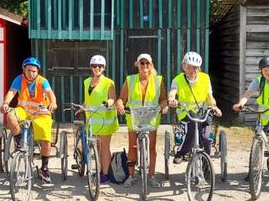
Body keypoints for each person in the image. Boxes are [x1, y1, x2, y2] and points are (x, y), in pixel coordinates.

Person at [1, 57, 58, 183]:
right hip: (24, 111)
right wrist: (6, 103)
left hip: (41, 113)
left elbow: (50, 93)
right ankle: (19, 141)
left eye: (34, 71)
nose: (31, 73)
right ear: (24, 70)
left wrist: (53, 103)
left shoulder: (43, 81)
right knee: (10, 115)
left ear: (38, 71)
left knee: (45, 137)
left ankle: (44, 168)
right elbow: (12, 92)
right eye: (28, 70)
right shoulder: (19, 79)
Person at [233, 57, 269, 177]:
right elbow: (248, 93)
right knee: (258, 139)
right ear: (261, 71)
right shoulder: (259, 80)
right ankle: (254, 169)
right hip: (264, 115)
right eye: (266, 70)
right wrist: (241, 103)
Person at [116, 53, 168, 189]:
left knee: (152, 148)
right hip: (134, 117)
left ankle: (151, 176)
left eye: (147, 63)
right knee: (132, 147)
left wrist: (164, 105)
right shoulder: (130, 80)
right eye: (142, 63)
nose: (144, 66)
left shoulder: (158, 80)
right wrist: (120, 104)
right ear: (137, 64)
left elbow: (163, 98)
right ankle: (131, 176)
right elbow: (121, 98)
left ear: (151, 65)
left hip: (151, 117)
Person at [167, 51, 222, 163]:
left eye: (195, 68)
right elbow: (172, 92)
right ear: (184, 66)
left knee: (206, 138)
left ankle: (206, 163)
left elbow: (209, 96)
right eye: (189, 67)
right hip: (186, 112)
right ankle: (181, 153)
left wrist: (214, 107)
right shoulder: (178, 79)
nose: (192, 70)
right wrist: (172, 99)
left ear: (199, 68)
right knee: (191, 129)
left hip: (203, 112)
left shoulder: (205, 78)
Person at [81, 55, 119, 184]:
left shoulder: (109, 82)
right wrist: (82, 107)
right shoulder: (86, 82)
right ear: (90, 67)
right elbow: (88, 100)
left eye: (100, 66)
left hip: (105, 120)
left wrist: (109, 102)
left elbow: (113, 98)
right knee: (96, 148)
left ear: (104, 68)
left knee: (104, 148)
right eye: (94, 66)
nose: (97, 68)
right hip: (91, 120)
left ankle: (105, 174)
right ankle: (99, 168)